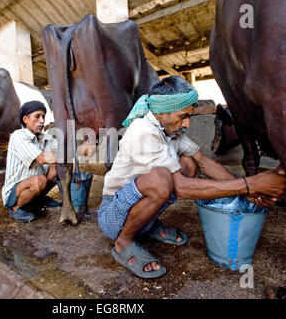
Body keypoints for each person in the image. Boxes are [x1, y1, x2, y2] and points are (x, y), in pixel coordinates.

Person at [97, 76, 286, 279]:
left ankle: (146, 224)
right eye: (183, 116)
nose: (187, 123)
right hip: (113, 217)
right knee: (162, 179)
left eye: (190, 116)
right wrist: (249, 185)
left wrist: (251, 191)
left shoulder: (173, 129)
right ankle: (123, 241)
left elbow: (204, 161)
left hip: (138, 210)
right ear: (161, 113)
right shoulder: (142, 131)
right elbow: (180, 187)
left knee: (189, 162)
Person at [2, 101, 60, 223]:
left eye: (43, 116)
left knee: (58, 167)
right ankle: (15, 208)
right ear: (25, 119)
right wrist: (70, 154)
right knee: (40, 180)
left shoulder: (44, 137)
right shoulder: (18, 136)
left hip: (35, 183)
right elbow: (42, 158)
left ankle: (38, 199)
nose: (42, 120)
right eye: (37, 116)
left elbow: (62, 151)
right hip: (15, 192)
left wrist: (79, 149)